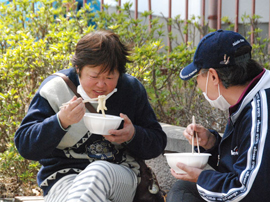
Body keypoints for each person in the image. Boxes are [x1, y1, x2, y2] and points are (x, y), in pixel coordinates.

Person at [14, 30, 167, 202]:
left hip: (118, 176)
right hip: (63, 179)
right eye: (94, 76)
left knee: (98, 172)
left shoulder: (130, 89)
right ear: (78, 69)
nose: (101, 85)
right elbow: (25, 145)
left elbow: (158, 142)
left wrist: (132, 135)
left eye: (110, 77)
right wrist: (60, 122)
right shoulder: (56, 89)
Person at [166, 29, 269, 202]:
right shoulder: (249, 98)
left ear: (213, 76)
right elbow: (244, 163)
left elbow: (248, 191)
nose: (198, 85)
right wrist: (211, 144)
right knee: (184, 190)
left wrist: (201, 177)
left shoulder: (262, 109)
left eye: (198, 76)